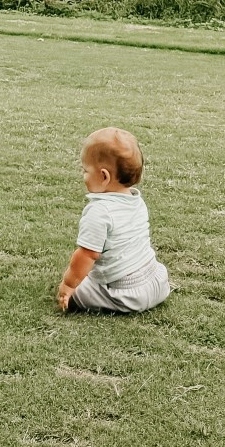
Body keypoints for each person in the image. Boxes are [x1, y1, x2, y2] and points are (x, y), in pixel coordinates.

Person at [56, 126, 171, 315]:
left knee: (80, 291)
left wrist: (69, 285)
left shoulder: (99, 211)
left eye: (85, 170)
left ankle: (88, 295)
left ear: (103, 176)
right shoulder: (136, 200)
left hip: (126, 293)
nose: (83, 176)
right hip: (156, 281)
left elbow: (87, 254)